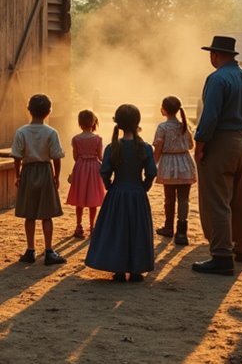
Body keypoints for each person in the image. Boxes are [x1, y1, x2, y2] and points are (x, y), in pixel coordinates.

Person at [192, 35, 242, 276]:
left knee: (216, 199)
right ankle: (241, 247)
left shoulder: (217, 79)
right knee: (240, 198)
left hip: (220, 141)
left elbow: (209, 117)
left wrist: (200, 144)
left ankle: (221, 254)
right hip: (241, 140)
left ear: (215, 55)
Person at [84, 104, 157, 282]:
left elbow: (105, 171)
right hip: (137, 194)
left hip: (117, 193)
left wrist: (110, 186)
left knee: (117, 230)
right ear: (137, 122)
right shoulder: (145, 147)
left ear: (118, 123)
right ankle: (136, 270)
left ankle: (117, 269)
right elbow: (152, 171)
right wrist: (144, 187)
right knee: (137, 230)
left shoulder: (113, 147)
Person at [12, 94, 67, 266]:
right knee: (46, 214)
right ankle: (49, 251)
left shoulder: (21, 132)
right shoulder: (51, 132)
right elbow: (56, 157)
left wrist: (18, 175)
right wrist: (56, 177)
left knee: (29, 214)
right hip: (45, 171)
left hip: (28, 171)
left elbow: (17, 156)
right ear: (49, 111)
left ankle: (30, 250)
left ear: (29, 110)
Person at [153, 95, 197, 245]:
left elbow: (158, 147)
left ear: (163, 110)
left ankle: (168, 227)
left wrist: (154, 163)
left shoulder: (162, 127)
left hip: (169, 165)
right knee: (184, 199)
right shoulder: (185, 125)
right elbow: (191, 146)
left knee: (169, 198)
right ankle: (182, 232)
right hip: (185, 163)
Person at [66, 109, 106, 239]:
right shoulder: (98, 139)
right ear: (93, 122)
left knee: (80, 197)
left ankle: (78, 225)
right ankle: (92, 226)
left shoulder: (76, 139)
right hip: (94, 168)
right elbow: (100, 156)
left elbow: (75, 157)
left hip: (80, 167)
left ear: (79, 123)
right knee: (92, 198)